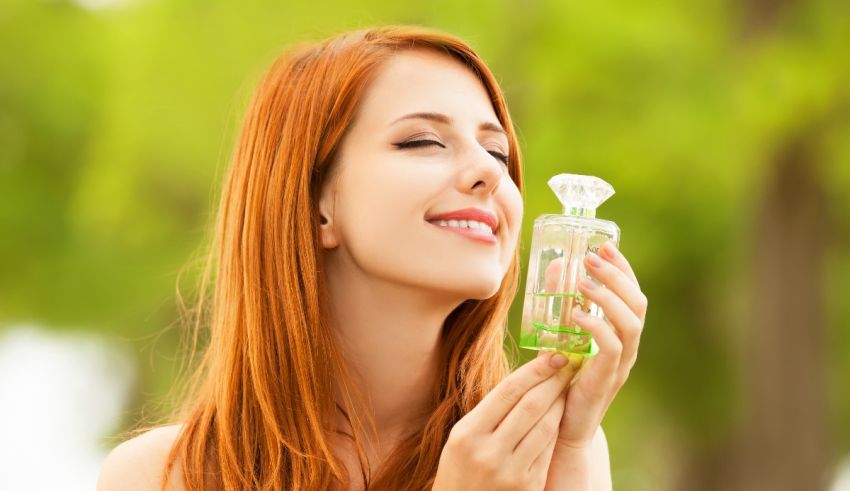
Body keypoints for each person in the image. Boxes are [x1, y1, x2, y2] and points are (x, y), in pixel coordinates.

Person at [97, 25, 647, 491]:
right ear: (316, 206)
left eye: (497, 151)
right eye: (423, 141)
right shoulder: (164, 475)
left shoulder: (549, 452)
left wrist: (571, 448)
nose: (488, 171)